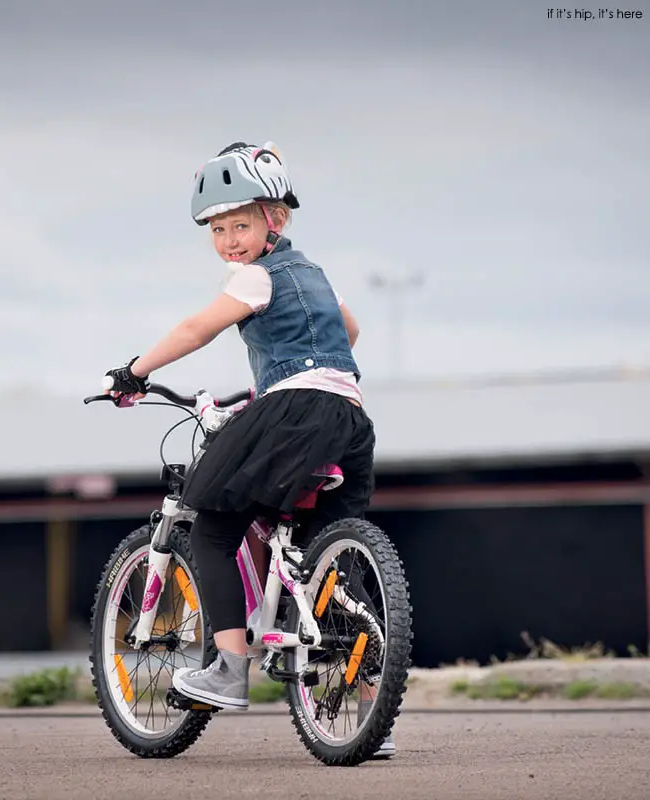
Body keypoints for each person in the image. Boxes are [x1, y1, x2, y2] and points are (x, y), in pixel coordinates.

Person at [104, 141, 395, 759]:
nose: (230, 239)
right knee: (327, 551)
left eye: (242, 224)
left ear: (275, 221)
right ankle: (365, 700)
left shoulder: (255, 276)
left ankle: (228, 668)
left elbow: (196, 329)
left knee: (211, 522)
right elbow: (350, 332)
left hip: (295, 407)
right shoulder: (312, 274)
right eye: (218, 228)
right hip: (348, 414)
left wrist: (133, 371)